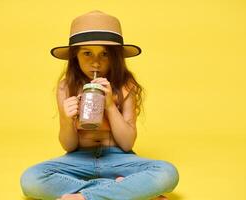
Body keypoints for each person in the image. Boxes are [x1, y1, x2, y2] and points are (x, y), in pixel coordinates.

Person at [20, 10, 179, 200]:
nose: (96, 62)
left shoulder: (126, 86)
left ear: (115, 57)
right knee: (31, 179)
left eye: (104, 53)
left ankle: (85, 197)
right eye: (87, 53)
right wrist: (65, 118)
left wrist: (110, 105)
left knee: (167, 173)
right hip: (78, 159)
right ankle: (123, 190)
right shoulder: (65, 87)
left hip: (119, 159)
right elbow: (69, 146)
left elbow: (127, 143)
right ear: (75, 57)